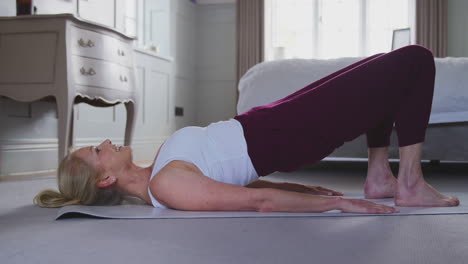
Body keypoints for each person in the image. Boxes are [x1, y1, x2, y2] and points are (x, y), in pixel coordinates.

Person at [34, 45, 460, 214]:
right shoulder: (165, 185)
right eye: (97, 150)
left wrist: (306, 190)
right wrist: (339, 206)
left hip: (271, 121)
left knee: (377, 72)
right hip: (288, 132)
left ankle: (380, 175)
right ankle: (409, 181)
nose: (106, 142)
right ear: (106, 177)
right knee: (414, 62)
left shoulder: (159, 171)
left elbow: (232, 171)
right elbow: (255, 200)